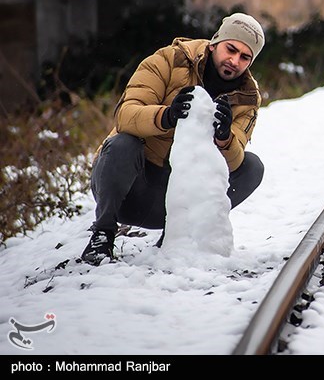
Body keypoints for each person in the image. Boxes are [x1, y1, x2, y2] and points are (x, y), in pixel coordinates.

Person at [80, 13, 266, 265]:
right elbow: (124, 115)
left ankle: (182, 235)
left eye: (245, 57)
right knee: (123, 143)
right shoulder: (170, 59)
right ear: (214, 43)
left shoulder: (247, 98)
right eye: (230, 49)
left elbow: (234, 162)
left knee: (252, 166)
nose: (234, 61)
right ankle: (102, 234)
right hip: (131, 189)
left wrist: (225, 139)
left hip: (177, 205)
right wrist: (166, 116)